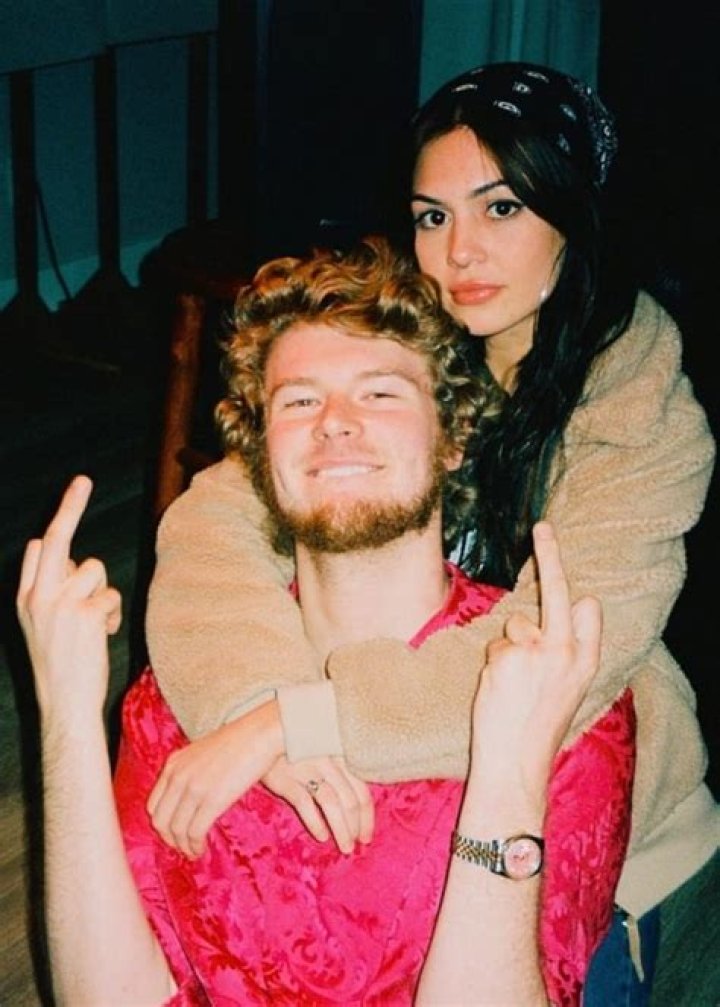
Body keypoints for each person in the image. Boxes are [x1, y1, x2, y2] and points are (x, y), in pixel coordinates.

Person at [144, 64, 718, 1001]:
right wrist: (252, 698)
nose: (459, 253)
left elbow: (555, 659)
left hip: (601, 835)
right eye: (432, 216)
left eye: (502, 209)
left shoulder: (641, 412)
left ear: (575, 215)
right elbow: (212, 522)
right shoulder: (411, 353)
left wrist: (296, 718)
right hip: (392, 794)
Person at [17, 237, 623, 1006]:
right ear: (259, 457)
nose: (335, 422)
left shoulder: (543, 688)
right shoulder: (190, 681)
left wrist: (506, 779)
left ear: (452, 440)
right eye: (299, 400)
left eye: (380, 393)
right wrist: (67, 713)